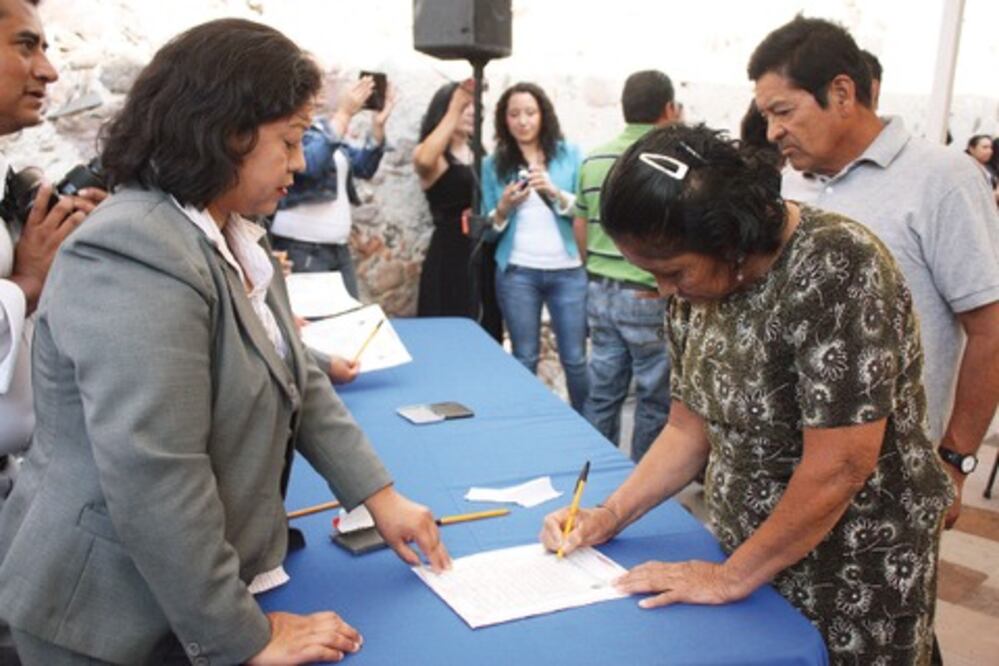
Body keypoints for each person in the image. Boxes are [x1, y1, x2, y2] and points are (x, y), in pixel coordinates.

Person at [0, 19, 449, 665]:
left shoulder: (232, 233)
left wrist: (380, 497)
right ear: (226, 133)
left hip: (170, 587)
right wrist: (245, 637)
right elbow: (154, 471)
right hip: (105, 614)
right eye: (290, 141)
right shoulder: (133, 250)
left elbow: (297, 376)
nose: (299, 162)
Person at [542, 123, 954, 665]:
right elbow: (688, 428)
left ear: (729, 239)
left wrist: (733, 577)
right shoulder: (699, 288)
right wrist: (609, 515)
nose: (664, 291)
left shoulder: (838, 266)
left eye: (672, 272)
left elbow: (840, 466)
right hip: (752, 551)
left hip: (853, 564)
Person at [751, 16, 999, 530]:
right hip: (788, 472)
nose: (774, 132)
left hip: (888, 483)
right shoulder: (792, 187)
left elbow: (991, 328)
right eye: (767, 116)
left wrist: (954, 460)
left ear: (841, 92)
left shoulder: (944, 181)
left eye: (783, 112)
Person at [573, 70, 679, 460]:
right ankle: (640, 488)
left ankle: (595, 481)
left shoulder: (594, 158)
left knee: (603, 393)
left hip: (599, 290)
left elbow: (580, 226)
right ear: (669, 108)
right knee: (653, 397)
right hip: (646, 292)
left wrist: (598, 269)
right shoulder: (669, 161)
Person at [481, 82, 587, 412]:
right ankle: (525, 423)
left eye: (530, 112)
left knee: (576, 358)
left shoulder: (570, 154)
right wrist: (503, 207)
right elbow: (489, 231)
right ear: (504, 120)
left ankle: (589, 424)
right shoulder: (493, 164)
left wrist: (553, 192)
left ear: (543, 115)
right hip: (517, 272)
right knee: (524, 355)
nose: (523, 121)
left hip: (567, 271)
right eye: (514, 114)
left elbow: (584, 209)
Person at [269, 72, 394, 299]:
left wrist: (377, 128)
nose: (322, 83)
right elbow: (311, 165)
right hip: (303, 249)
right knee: (314, 328)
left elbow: (363, 168)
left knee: (348, 323)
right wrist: (344, 114)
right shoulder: (290, 131)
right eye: (314, 76)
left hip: (337, 249)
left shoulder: (322, 129)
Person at [413, 80, 503, 341]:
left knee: (486, 326)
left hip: (483, 248)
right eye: (466, 107)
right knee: (449, 327)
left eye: (475, 107)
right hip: (451, 251)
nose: (472, 112)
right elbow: (424, 159)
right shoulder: (435, 156)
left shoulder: (480, 153)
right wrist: (455, 106)